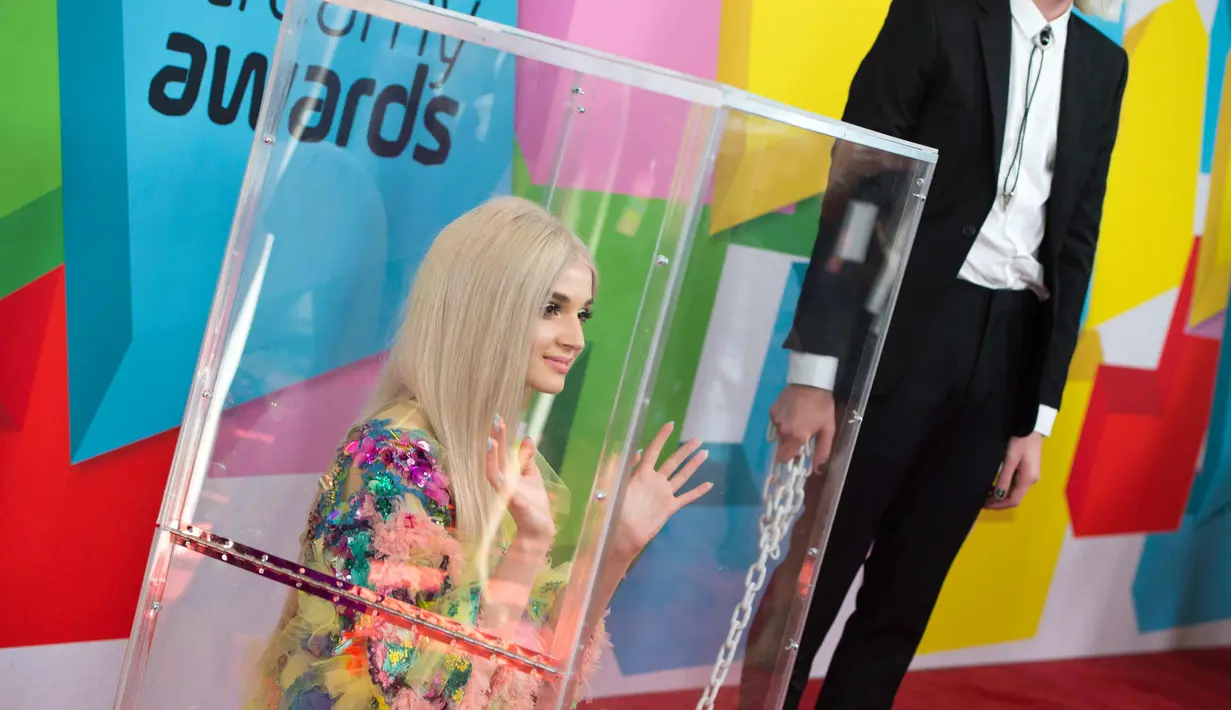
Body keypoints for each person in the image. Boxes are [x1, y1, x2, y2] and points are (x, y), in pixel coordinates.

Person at [741, 0, 1129, 708]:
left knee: (905, 597)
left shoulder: (1105, 66)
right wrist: (814, 371)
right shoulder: (938, 12)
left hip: (1007, 347)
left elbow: (1076, 241)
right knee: (811, 578)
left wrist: (1034, 418)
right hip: (900, 330)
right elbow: (859, 180)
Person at [248, 196, 714, 709]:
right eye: (550, 309)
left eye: (581, 313)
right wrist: (530, 543)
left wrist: (613, 548)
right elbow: (417, 695)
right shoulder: (397, 458)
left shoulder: (491, 455)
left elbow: (532, 687)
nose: (576, 338)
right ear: (485, 308)